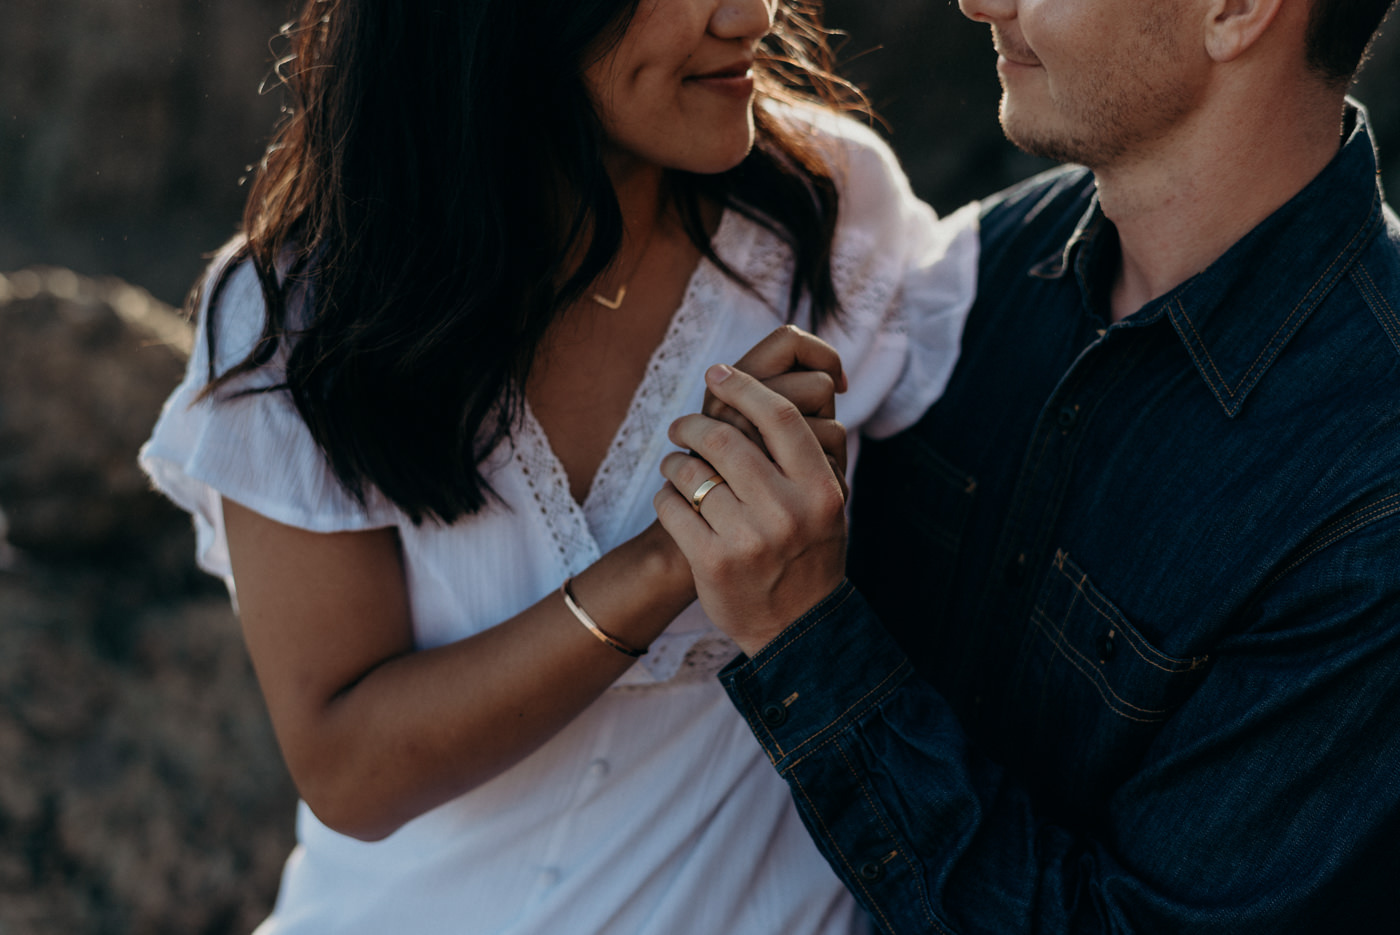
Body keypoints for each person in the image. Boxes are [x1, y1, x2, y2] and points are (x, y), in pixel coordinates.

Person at [139, 0, 978, 932]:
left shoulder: (829, 211)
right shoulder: (300, 316)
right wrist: (667, 560)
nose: (755, 15)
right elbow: (348, 768)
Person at [656, 0, 1400, 931]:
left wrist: (804, 631)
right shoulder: (992, 268)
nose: (981, 1)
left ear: (1236, 11)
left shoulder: (1373, 497)